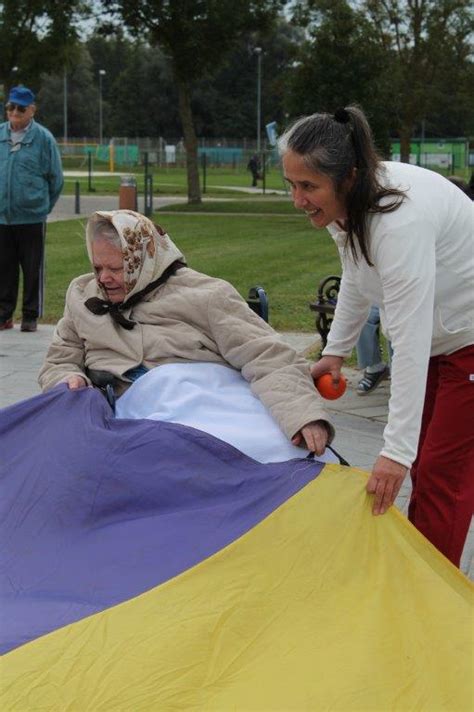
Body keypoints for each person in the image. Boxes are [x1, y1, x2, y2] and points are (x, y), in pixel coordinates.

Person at [279, 105, 474, 567]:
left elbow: (407, 345)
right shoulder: (348, 205)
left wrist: (393, 453)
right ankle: (415, 579)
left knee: (440, 474)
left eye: (308, 186)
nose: (298, 199)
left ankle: (428, 598)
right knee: (430, 468)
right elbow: (355, 273)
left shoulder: (399, 222)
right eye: (292, 184)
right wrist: (335, 352)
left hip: (467, 342)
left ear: (347, 177)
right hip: (438, 340)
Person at [39, 209, 334, 459]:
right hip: (135, 410)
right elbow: (59, 361)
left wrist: (302, 414)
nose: (103, 278)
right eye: (97, 267)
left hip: (210, 397)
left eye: (116, 268)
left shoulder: (205, 294)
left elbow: (266, 353)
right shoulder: (81, 295)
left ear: (143, 260)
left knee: (276, 449)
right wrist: (68, 379)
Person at [0, 86, 63, 332]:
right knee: (4, 268)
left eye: (20, 108)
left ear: (32, 110)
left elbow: (55, 179)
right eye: (10, 107)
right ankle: (4, 314)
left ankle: (30, 316)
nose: (14, 112)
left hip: (32, 217)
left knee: (32, 267)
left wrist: (43, 207)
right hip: (2, 218)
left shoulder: (43, 139)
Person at [355, 305, 391, 395]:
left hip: (404, 299)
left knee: (394, 319)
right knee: (362, 315)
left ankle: (398, 374)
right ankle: (375, 368)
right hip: (379, 297)